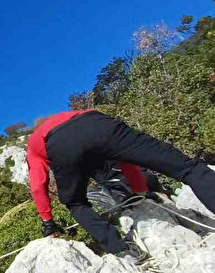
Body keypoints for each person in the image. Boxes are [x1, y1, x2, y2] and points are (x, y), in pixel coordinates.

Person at [28, 110, 215, 257]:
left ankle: (121, 251)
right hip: (99, 122)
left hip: (59, 144)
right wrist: (140, 189)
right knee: (187, 168)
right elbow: (125, 158)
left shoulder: (34, 140)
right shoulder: (73, 113)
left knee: (76, 203)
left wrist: (48, 221)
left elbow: (38, 184)